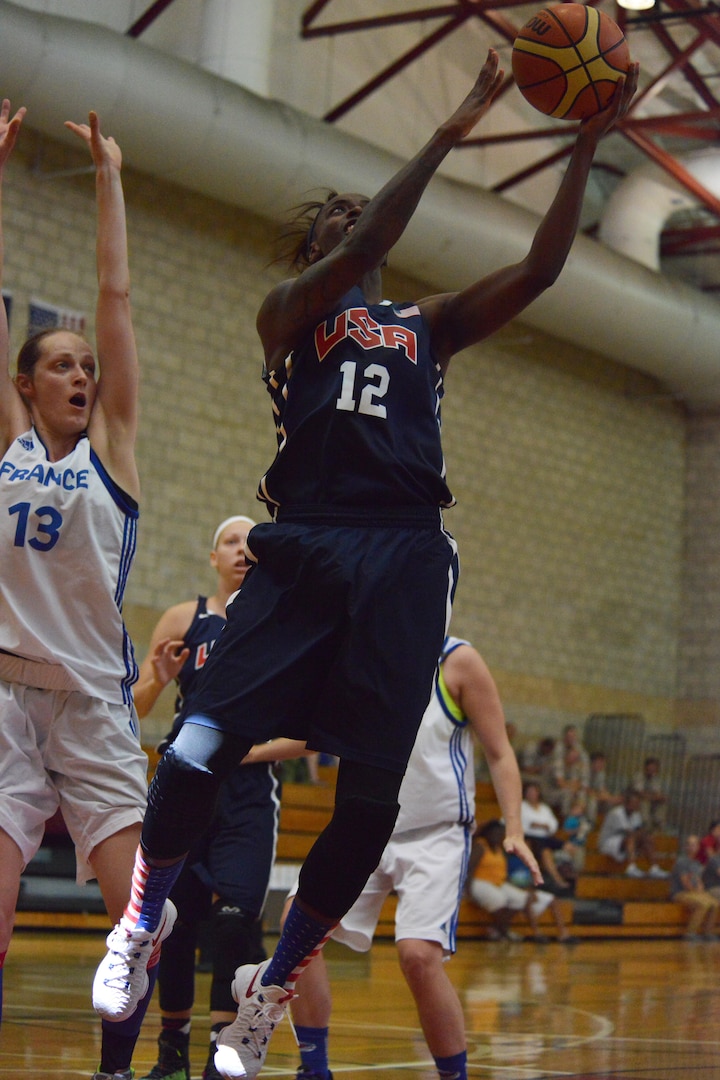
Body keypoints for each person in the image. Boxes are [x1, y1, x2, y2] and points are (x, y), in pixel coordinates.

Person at [92, 49, 638, 1080]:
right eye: (336, 214)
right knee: (200, 741)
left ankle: (278, 985)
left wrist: (587, 144)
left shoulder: (425, 328)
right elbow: (379, 232)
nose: (354, 217)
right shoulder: (290, 318)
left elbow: (542, 271)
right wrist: (454, 125)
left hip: (402, 551)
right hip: (308, 532)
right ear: (318, 247)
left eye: (361, 211)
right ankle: (140, 918)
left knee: (371, 800)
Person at [0, 102, 152, 1079]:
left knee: (139, 923)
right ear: (25, 384)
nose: (81, 373)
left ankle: (114, 1070)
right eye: (60, 364)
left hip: (97, 704)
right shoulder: (7, 448)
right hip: (7, 697)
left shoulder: (115, 458)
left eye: (87, 367)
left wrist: (109, 175)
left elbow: (116, 297)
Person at [283, 637, 541, 1080]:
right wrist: (248, 751)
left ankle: (452, 1074)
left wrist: (514, 826)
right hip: (368, 823)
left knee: (418, 956)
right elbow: (314, 738)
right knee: (298, 925)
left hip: (436, 832)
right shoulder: (361, 655)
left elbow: (499, 751)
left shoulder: (457, 661)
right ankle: (314, 1069)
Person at [133, 515, 308, 1080]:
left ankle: (221, 1052)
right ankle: (172, 1049)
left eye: (250, 543)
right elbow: (129, 707)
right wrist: (159, 679)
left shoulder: (283, 625)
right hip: (188, 782)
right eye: (230, 542)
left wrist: (248, 752)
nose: (241, 550)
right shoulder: (187, 619)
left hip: (249, 794)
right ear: (214, 558)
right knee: (176, 926)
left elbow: (309, 730)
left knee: (235, 922)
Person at [468, 819, 574, 944]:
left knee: (522, 899)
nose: (498, 836)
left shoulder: (499, 849)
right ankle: (503, 932)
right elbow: (469, 870)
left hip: (498, 883)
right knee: (500, 900)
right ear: (488, 833)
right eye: (496, 833)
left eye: (500, 834)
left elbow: (503, 873)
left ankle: (498, 929)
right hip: (480, 882)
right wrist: (467, 891)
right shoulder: (480, 846)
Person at [597, 788, 669, 879]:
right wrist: (641, 834)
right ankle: (631, 867)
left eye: (637, 803)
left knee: (648, 839)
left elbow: (639, 830)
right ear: (627, 804)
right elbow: (628, 832)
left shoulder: (636, 814)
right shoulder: (616, 813)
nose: (637, 805)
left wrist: (644, 836)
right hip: (608, 842)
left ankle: (654, 868)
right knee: (631, 838)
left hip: (625, 843)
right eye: (634, 803)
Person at [520, 781, 575, 893]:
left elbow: (553, 824)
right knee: (545, 852)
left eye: (534, 792)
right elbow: (524, 824)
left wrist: (543, 826)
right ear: (525, 793)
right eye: (529, 792)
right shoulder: (522, 806)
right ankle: (558, 880)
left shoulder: (544, 808)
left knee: (570, 846)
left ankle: (570, 874)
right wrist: (539, 825)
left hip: (546, 836)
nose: (532, 794)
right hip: (530, 837)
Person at [669, 834, 719, 941]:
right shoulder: (681, 862)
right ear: (686, 847)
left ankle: (708, 932)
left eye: (695, 844)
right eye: (690, 845)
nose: (692, 847)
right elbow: (685, 883)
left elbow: (699, 880)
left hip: (693, 892)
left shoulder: (697, 863)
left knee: (714, 903)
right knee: (703, 903)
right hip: (680, 893)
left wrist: (701, 889)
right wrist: (697, 892)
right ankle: (690, 932)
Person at [548, 724, 590, 818]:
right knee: (568, 793)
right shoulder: (558, 756)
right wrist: (572, 786)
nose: (571, 739)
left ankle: (582, 821)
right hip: (551, 789)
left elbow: (578, 782)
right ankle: (566, 818)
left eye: (573, 736)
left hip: (567, 788)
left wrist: (576, 787)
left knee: (584, 795)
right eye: (569, 736)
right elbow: (560, 782)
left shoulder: (576, 761)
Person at [632, 755, 668, 832]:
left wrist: (661, 797)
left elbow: (657, 793)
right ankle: (645, 825)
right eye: (651, 767)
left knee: (662, 803)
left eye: (654, 767)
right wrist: (653, 797)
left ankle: (658, 823)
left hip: (651, 801)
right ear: (646, 767)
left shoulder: (656, 779)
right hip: (637, 800)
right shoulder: (639, 776)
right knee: (645, 803)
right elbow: (640, 792)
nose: (652, 769)